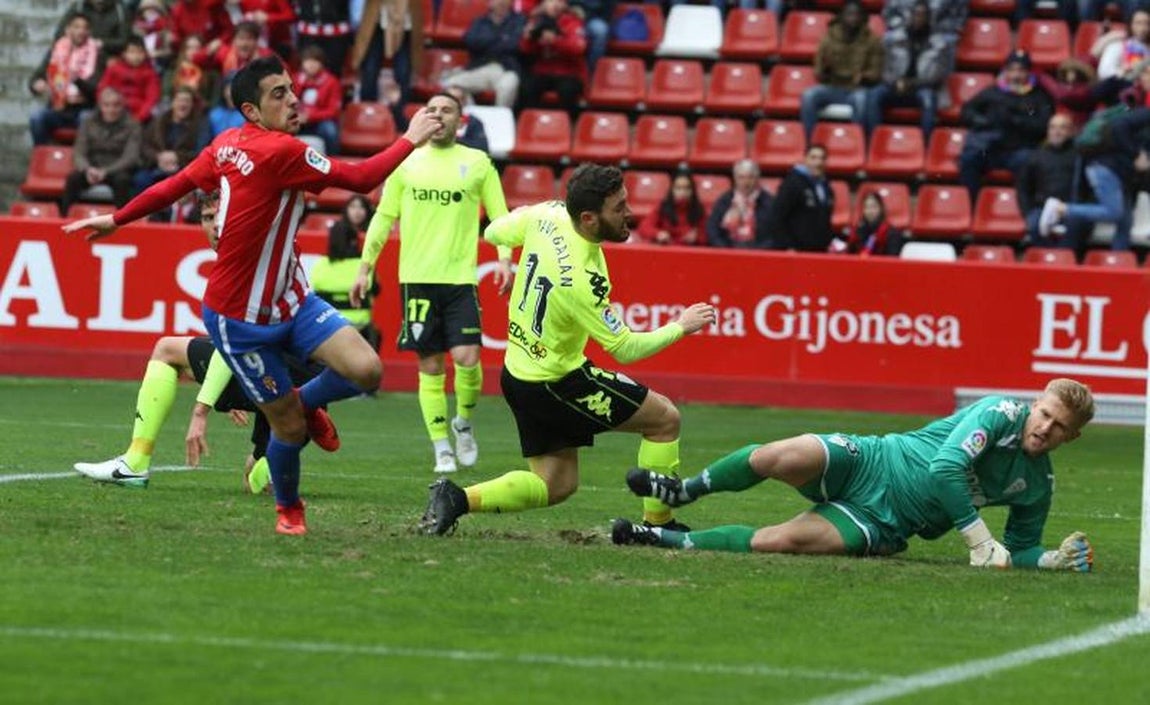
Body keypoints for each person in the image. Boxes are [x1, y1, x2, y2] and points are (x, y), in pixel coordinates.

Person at [63, 55, 443, 536]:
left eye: (290, 88)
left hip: (291, 299)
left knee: (366, 369)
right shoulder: (277, 153)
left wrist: (118, 219)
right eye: (278, 94)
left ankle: (303, 401)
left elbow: (177, 185)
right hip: (240, 321)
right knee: (287, 430)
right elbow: (363, 178)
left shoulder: (228, 145)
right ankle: (290, 510)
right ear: (252, 111)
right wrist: (411, 137)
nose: (292, 99)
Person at [419, 164, 718, 536]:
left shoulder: (548, 213)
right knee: (664, 420)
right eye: (619, 208)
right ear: (589, 218)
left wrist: (507, 259)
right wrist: (680, 326)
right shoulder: (581, 279)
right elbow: (624, 347)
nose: (630, 214)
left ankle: (455, 499)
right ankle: (659, 525)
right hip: (558, 381)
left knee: (556, 484)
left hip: (518, 374)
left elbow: (495, 229)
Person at [613, 378, 1097, 575]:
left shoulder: (1038, 486)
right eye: (1045, 414)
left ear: (1070, 439)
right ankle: (685, 489)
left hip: (883, 520)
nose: (1046, 428)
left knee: (778, 542)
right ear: (1036, 405)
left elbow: (1022, 545)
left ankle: (660, 538)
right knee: (784, 454)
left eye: (1059, 428)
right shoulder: (1001, 411)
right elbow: (946, 466)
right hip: (875, 460)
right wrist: (978, 541)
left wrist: (1052, 559)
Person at [72, 191, 319, 494]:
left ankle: (134, 463)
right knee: (254, 481)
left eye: (221, 215)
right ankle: (292, 436)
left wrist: (201, 410)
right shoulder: (264, 251)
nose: (215, 225)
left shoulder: (247, 263)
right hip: (291, 377)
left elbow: (233, 347)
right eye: (207, 218)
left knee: (166, 349)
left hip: (288, 377)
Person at [351, 92, 512, 474]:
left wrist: (505, 258)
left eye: (447, 110)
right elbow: (383, 217)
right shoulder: (405, 164)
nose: (438, 115)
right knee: (431, 365)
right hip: (418, 280)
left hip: (459, 280)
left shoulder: (477, 163)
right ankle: (441, 446)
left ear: (460, 121)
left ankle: (464, 423)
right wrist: (365, 266)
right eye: (432, 110)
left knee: (468, 359)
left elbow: (500, 217)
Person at [958, 50, 1054, 202]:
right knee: (970, 158)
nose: (1016, 75)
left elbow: (1044, 126)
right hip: (990, 149)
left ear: (1028, 72)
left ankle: (1023, 207)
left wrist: (1018, 121)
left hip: (1019, 149)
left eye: (1021, 70)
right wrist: (983, 121)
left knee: (1028, 162)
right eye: (1012, 70)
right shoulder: (993, 92)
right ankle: (972, 205)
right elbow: (967, 111)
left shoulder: (1039, 96)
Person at [864, 0, 953, 140]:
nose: (919, 18)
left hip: (923, 88)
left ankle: (926, 146)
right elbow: (883, 68)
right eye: (916, 14)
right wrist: (894, 82)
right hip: (895, 87)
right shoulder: (892, 39)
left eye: (923, 15)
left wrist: (911, 84)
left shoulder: (941, 44)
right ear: (910, 16)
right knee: (874, 95)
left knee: (928, 99)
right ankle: (874, 142)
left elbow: (939, 76)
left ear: (929, 18)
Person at [799, 0, 884, 141]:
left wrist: (864, 76)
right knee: (809, 95)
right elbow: (818, 71)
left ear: (863, 18)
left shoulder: (872, 40)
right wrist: (824, 71)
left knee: (862, 100)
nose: (853, 18)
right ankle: (810, 141)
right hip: (832, 87)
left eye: (857, 15)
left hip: (857, 88)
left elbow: (876, 72)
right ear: (842, 16)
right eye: (849, 14)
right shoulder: (829, 38)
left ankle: (859, 143)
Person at [312, 195, 380, 351]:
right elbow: (376, 290)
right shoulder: (363, 267)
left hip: (328, 328)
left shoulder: (320, 265)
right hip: (361, 329)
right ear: (354, 242)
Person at [60, 87, 142, 216]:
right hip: (91, 169)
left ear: (122, 106)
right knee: (73, 178)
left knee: (123, 181)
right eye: (107, 105)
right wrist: (87, 169)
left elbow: (131, 157)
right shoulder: (87, 122)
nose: (111, 109)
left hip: (117, 170)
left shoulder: (133, 125)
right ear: (100, 106)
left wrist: (106, 171)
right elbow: (79, 152)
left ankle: (122, 221)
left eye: (116, 105)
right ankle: (64, 218)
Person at [28, 11, 105, 146]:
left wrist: (76, 79)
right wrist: (37, 84)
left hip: (84, 108)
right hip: (58, 108)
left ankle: (81, 161)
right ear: (68, 30)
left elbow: (96, 89)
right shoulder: (57, 50)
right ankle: (44, 156)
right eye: (76, 27)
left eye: (85, 28)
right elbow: (35, 77)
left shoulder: (97, 54)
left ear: (89, 31)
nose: (81, 31)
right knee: (37, 117)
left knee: (86, 118)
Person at [1017, 114, 1085, 249]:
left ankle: (1063, 260)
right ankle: (1047, 258)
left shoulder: (1080, 156)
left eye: (1062, 127)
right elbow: (1023, 188)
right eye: (1053, 127)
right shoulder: (1036, 156)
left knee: (1076, 225)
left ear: (1071, 132)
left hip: (1072, 208)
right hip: (1041, 207)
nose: (1057, 131)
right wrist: (1028, 212)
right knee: (1033, 224)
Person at [443, 0, 525, 109]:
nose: (501, 2)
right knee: (452, 84)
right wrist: (502, 38)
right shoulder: (480, 21)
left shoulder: (519, 20)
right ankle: (474, 116)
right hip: (481, 68)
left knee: (509, 85)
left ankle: (500, 121)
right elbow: (470, 41)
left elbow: (515, 45)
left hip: (506, 69)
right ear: (490, 3)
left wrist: (486, 41)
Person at [134, 86, 211, 198]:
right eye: (180, 100)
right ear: (173, 102)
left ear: (192, 104)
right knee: (140, 179)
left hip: (184, 170)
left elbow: (202, 152)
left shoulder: (200, 125)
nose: (183, 104)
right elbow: (144, 146)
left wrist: (177, 157)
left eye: (187, 101)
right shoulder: (159, 121)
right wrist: (158, 157)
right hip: (157, 167)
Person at [516, 0, 588, 113]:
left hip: (567, 72)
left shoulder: (572, 21)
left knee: (568, 90)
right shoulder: (536, 21)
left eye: (559, 2)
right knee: (527, 88)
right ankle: (529, 123)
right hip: (542, 71)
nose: (555, 5)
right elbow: (524, 49)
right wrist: (529, 38)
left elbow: (578, 47)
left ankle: (566, 124)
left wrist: (555, 41)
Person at [767, 144, 836, 252]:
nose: (818, 163)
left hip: (818, 250)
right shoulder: (792, 184)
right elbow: (778, 216)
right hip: (796, 251)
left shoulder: (826, 187)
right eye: (813, 158)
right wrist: (787, 246)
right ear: (805, 159)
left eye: (822, 158)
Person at [705, 159, 772, 249]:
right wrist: (724, 249)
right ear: (735, 178)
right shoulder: (725, 200)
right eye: (741, 177)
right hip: (728, 251)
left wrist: (758, 251)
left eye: (750, 177)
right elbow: (712, 228)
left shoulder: (769, 202)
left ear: (757, 179)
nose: (746, 182)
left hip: (759, 253)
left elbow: (775, 234)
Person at [95, 36, 161, 125]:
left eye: (140, 52)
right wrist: (108, 111)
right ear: (124, 54)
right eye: (132, 52)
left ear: (145, 54)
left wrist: (138, 118)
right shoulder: (113, 69)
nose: (136, 56)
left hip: (138, 116)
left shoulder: (150, 74)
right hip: (112, 111)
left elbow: (151, 99)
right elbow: (102, 91)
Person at [635, 171, 707, 246]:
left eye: (687, 188)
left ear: (693, 191)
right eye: (678, 188)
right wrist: (658, 234)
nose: (683, 192)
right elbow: (644, 227)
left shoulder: (699, 210)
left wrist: (697, 237)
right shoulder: (662, 207)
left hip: (690, 252)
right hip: (667, 251)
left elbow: (707, 235)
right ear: (672, 190)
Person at [294, 45, 343, 154]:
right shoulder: (295, 79)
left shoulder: (332, 82)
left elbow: (333, 111)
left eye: (315, 61)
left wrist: (310, 117)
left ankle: (334, 161)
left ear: (322, 64)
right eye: (307, 61)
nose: (311, 65)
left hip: (319, 123)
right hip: (297, 120)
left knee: (329, 129)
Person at [833, 190, 904, 255]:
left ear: (881, 209)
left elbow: (892, 260)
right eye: (867, 207)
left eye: (874, 207)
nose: (870, 211)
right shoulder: (858, 230)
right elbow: (849, 254)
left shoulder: (891, 233)